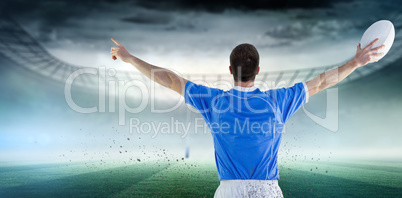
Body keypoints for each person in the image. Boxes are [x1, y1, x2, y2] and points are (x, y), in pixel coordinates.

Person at [110, 38, 384, 197]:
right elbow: (320, 83)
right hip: (267, 192)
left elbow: (170, 80)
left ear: (230, 69)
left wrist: (130, 58)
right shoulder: (278, 101)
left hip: (229, 191)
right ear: (258, 70)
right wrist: (356, 62)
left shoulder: (215, 102)